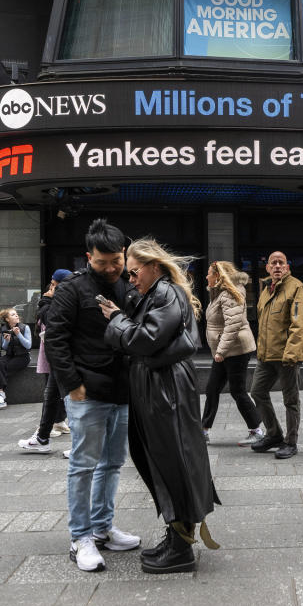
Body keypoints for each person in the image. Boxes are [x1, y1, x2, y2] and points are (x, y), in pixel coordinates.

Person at [101, 238, 220, 574]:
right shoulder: (156, 294)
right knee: (166, 462)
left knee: (174, 462)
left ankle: (181, 546)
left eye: (135, 271)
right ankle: (176, 536)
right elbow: (145, 341)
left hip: (165, 389)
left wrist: (116, 320)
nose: (130, 278)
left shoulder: (166, 293)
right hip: (159, 386)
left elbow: (144, 341)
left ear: (154, 266)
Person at [43, 218, 139, 572]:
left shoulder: (130, 287)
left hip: (123, 389)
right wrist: (72, 384)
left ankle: (103, 527)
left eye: (117, 260)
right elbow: (55, 340)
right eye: (103, 262)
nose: (112, 268)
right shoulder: (72, 289)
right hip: (87, 392)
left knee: (112, 463)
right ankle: (80, 536)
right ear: (88, 257)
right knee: (83, 466)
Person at [249, 251, 303, 459]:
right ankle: (274, 434)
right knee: (257, 392)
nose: (277, 266)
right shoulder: (267, 290)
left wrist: (291, 353)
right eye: (273, 263)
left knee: (290, 400)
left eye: (281, 263)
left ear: (287, 267)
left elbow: (298, 324)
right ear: (267, 268)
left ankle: (290, 442)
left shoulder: (296, 288)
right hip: (267, 356)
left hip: (287, 356)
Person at [201, 261, 264, 445]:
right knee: (212, 389)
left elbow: (233, 324)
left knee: (238, 391)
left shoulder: (229, 293)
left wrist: (221, 350)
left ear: (218, 276)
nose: (206, 277)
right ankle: (203, 430)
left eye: (209, 273)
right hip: (225, 349)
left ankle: (257, 430)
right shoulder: (220, 292)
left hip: (235, 350)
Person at [19, 270, 74, 452]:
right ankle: (43, 437)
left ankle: (79, 445)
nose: (50, 287)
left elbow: (51, 318)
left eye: (53, 284)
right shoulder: (61, 297)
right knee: (50, 396)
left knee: (70, 399)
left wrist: (45, 301)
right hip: (56, 355)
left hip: (64, 355)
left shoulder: (65, 298)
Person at [0, 308, 30, 410]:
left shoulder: (24, 327)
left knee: (2, 369)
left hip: (23, 356)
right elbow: (5, 347)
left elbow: (28, 345)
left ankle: (0, 395)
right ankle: (1, 394)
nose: (17, 316)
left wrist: (19, 334)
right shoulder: (4, 329)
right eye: (13, 315)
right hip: (10, 355)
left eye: (16, 314)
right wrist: (6, 341)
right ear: (7, 319)